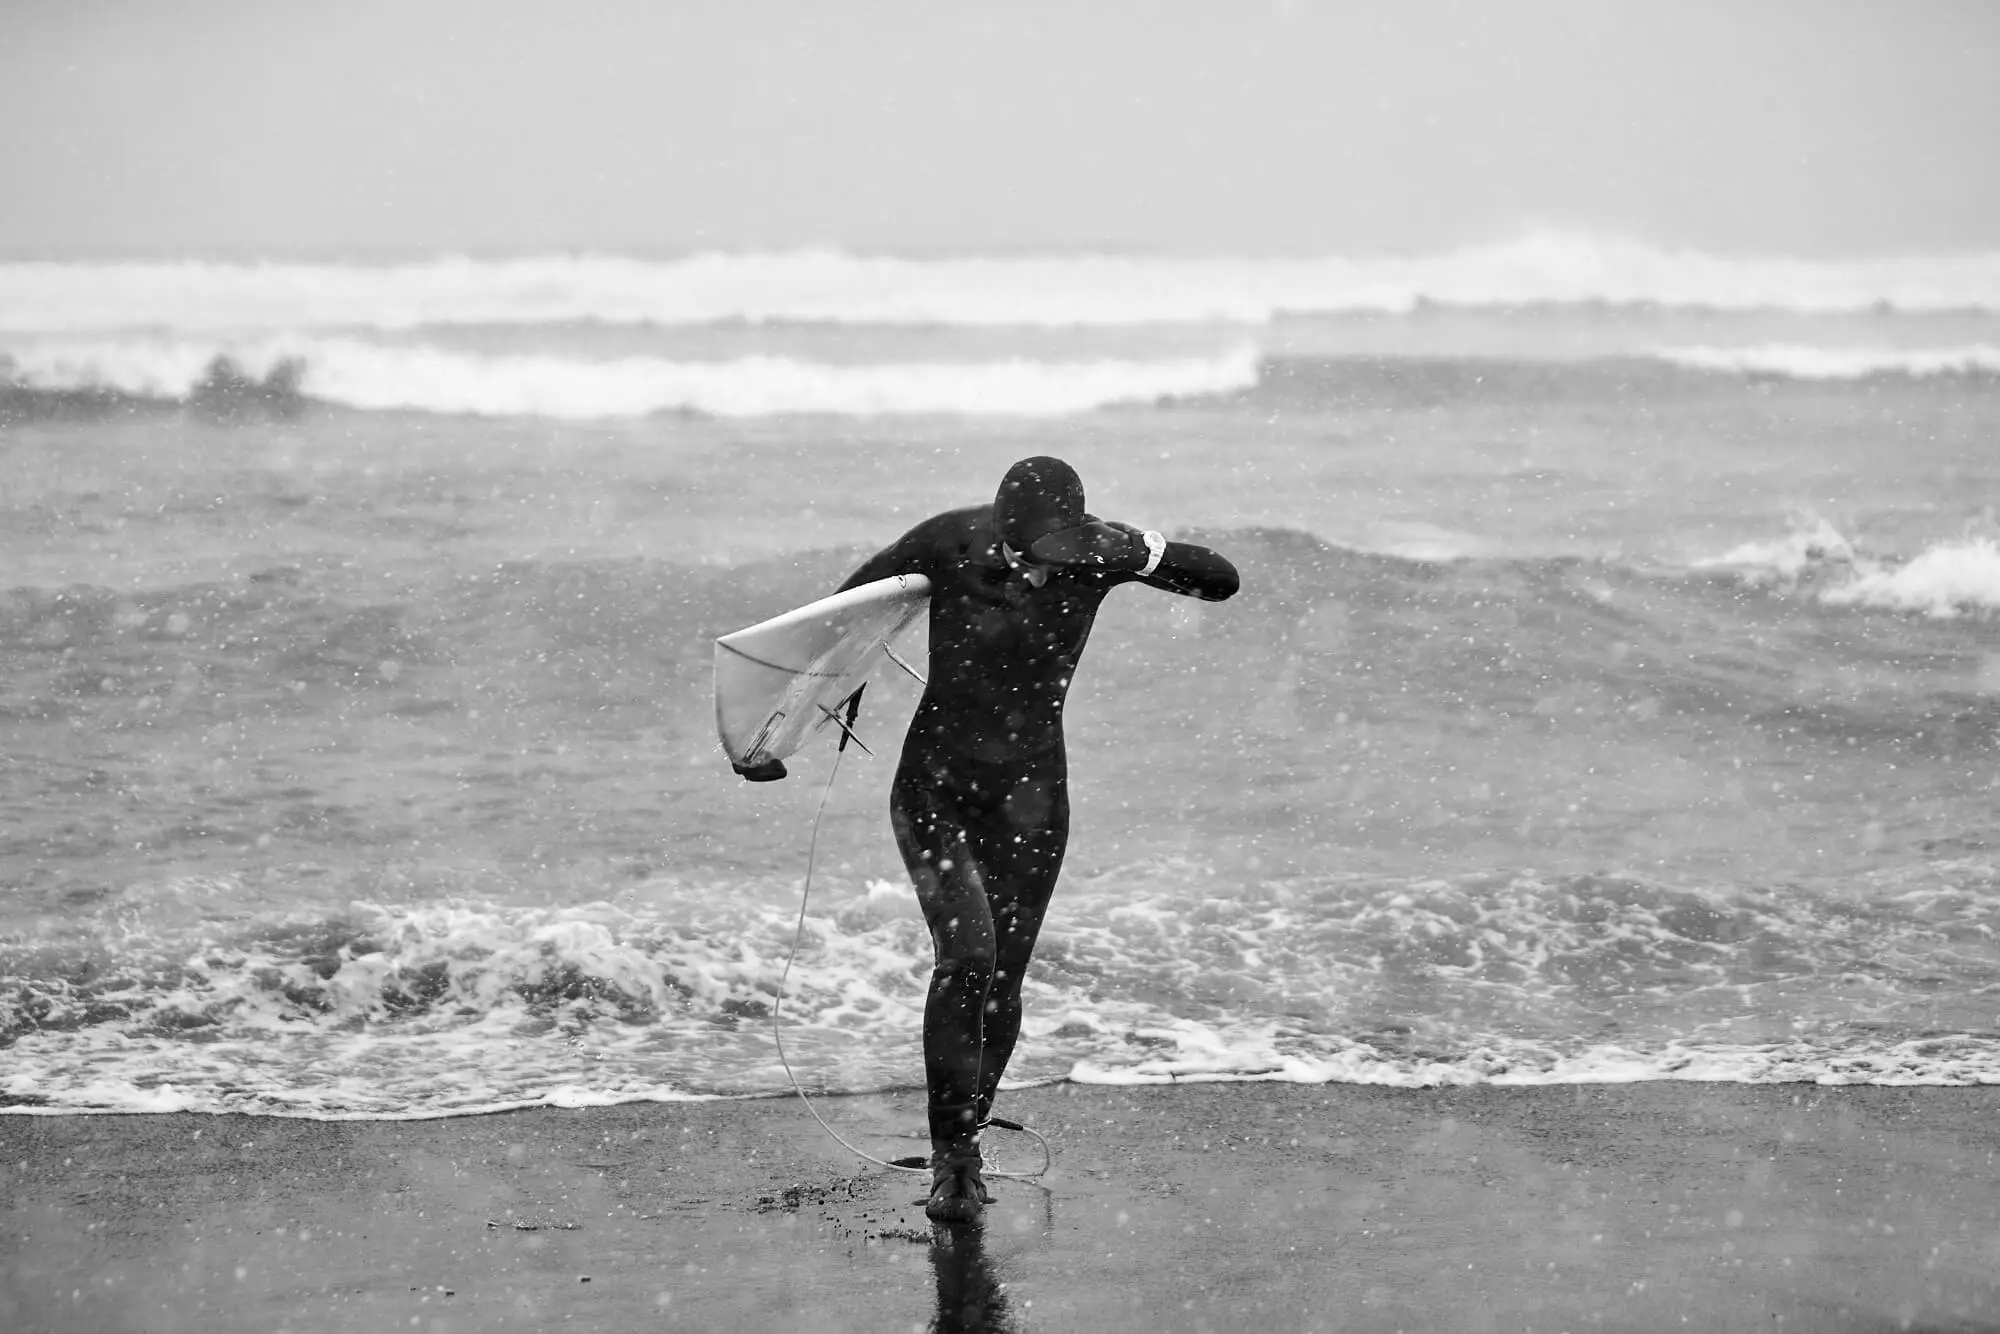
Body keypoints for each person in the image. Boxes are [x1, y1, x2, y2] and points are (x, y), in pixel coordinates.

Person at [747, 456, 1239, 1222]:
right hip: (935, 788)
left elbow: (1221, 581)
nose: (1027, 571)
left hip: (1032, 800)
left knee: (1004, 980)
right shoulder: (947, 542)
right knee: (967, 957)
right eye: (1014, 555)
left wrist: (1142, 551)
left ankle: (967, 1138)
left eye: (1043, 558)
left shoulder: (1100, 553)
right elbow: (837, 622)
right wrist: (767, 736)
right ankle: (950, 1161)